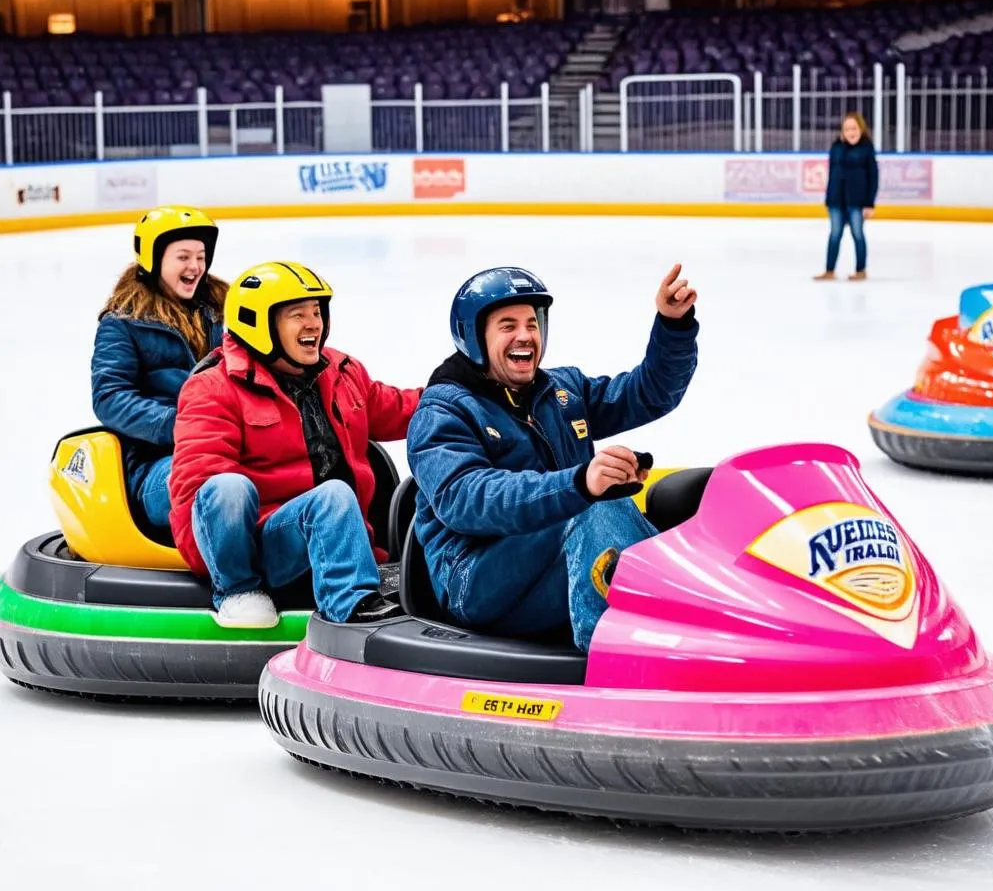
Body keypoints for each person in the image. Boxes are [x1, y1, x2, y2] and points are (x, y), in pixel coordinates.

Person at [407, 264, 699, 651]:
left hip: (558, 556)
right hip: (475, 579)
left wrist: (673, 326)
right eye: (507, 326)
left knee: (692, 497)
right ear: (474, 337)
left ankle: (701, 618)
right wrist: (579, 484)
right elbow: (468, 499)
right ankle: (618, 654)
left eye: (532, 323)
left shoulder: (561, 391)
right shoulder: (443, 413)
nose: (525, 335)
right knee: (590, 507)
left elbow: (648, 394)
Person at [168, 261, 421, 629]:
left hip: (337, 537)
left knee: (340, 496)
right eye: (297, 315)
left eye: (317, 312)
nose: (313, 324)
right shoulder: (212, 388)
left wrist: (459, 397)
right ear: (258, 324)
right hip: (258, 548)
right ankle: (344, 607)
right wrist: (225, 567)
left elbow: (397, 408)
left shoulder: (341, 371)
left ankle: (356, 580)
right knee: (231, 488)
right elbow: (198, 498)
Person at [91, 205, 226, 531]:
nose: (195, 266)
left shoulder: (224, 312)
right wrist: (179, 426)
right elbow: (109, 397)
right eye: (183, 257)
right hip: (158, 464)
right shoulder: (122, 323)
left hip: (225, 443)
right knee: (219, 481)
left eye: (201, 256)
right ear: (153, 259)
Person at [815, 111, 879, 282]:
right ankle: (829, 270)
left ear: (861, 129)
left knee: (858, 234)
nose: (851, 132)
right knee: (835, 234)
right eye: (847, 129)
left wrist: (869, 203)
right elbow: (832, 173)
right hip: (836, 200)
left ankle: (860, 270)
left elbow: (873, 177)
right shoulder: (836, 147)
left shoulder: (866, 149)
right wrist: (829, 198)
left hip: (857, 201)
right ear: (842, 131)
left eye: (854, 128)